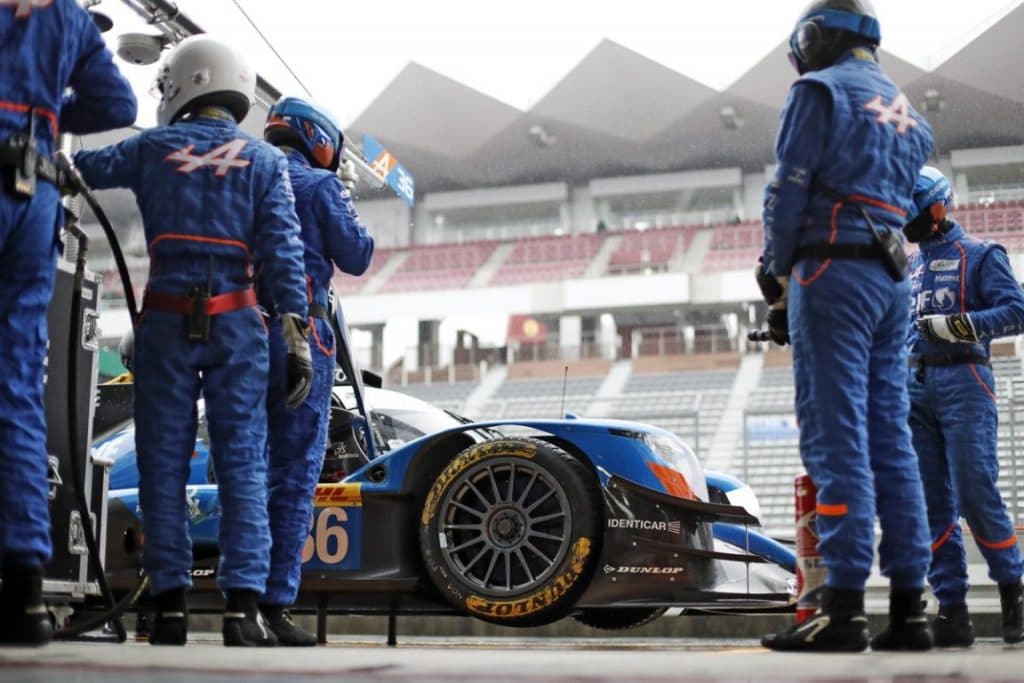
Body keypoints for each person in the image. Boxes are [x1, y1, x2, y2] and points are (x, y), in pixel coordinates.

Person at [74, 35, 313, 647]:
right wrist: (296, 336)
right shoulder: (265, 163)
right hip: (239, 325)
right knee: (243, 466)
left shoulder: (151, 148)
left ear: (184, 83)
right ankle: (243, 612)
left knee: (162, 465)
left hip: (164, 323)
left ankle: (170, 608)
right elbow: (284, 254)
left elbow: (80, 170)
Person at [755, 0, 935, 652]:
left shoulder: (816, 92)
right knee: (892, 440)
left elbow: (788, 193)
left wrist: (776, 273)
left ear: (814, 38)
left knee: (836, 442)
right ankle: (912, 610)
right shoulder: (912, 115)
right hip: (893, 281)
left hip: (830, 272)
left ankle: (844, 608)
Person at [0, 0, 136, 646]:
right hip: (37, 193)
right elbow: (118, 104)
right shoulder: (68, 17)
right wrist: (49, 115)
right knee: (18, 389)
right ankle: (24, 592)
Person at [259, 96, 373, 645]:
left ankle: (237, 604)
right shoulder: (319, 186)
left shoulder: (246, 172)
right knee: (294, 471)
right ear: (319, 138)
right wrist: (346, 196)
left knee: (242, 470)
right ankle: (272, 608)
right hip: (301, 334)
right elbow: (357, 255)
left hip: (235, 333)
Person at [904, 166, 1024, 646]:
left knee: (976, 492)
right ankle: (952, 609)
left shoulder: (981, 254)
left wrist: (959, 325)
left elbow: (1017, 310)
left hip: (966, 379)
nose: (905, 222)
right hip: (914, 383)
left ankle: (1013, 593)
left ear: (937, 207)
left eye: (912, 212)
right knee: (932, 503)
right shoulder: (910, 265)